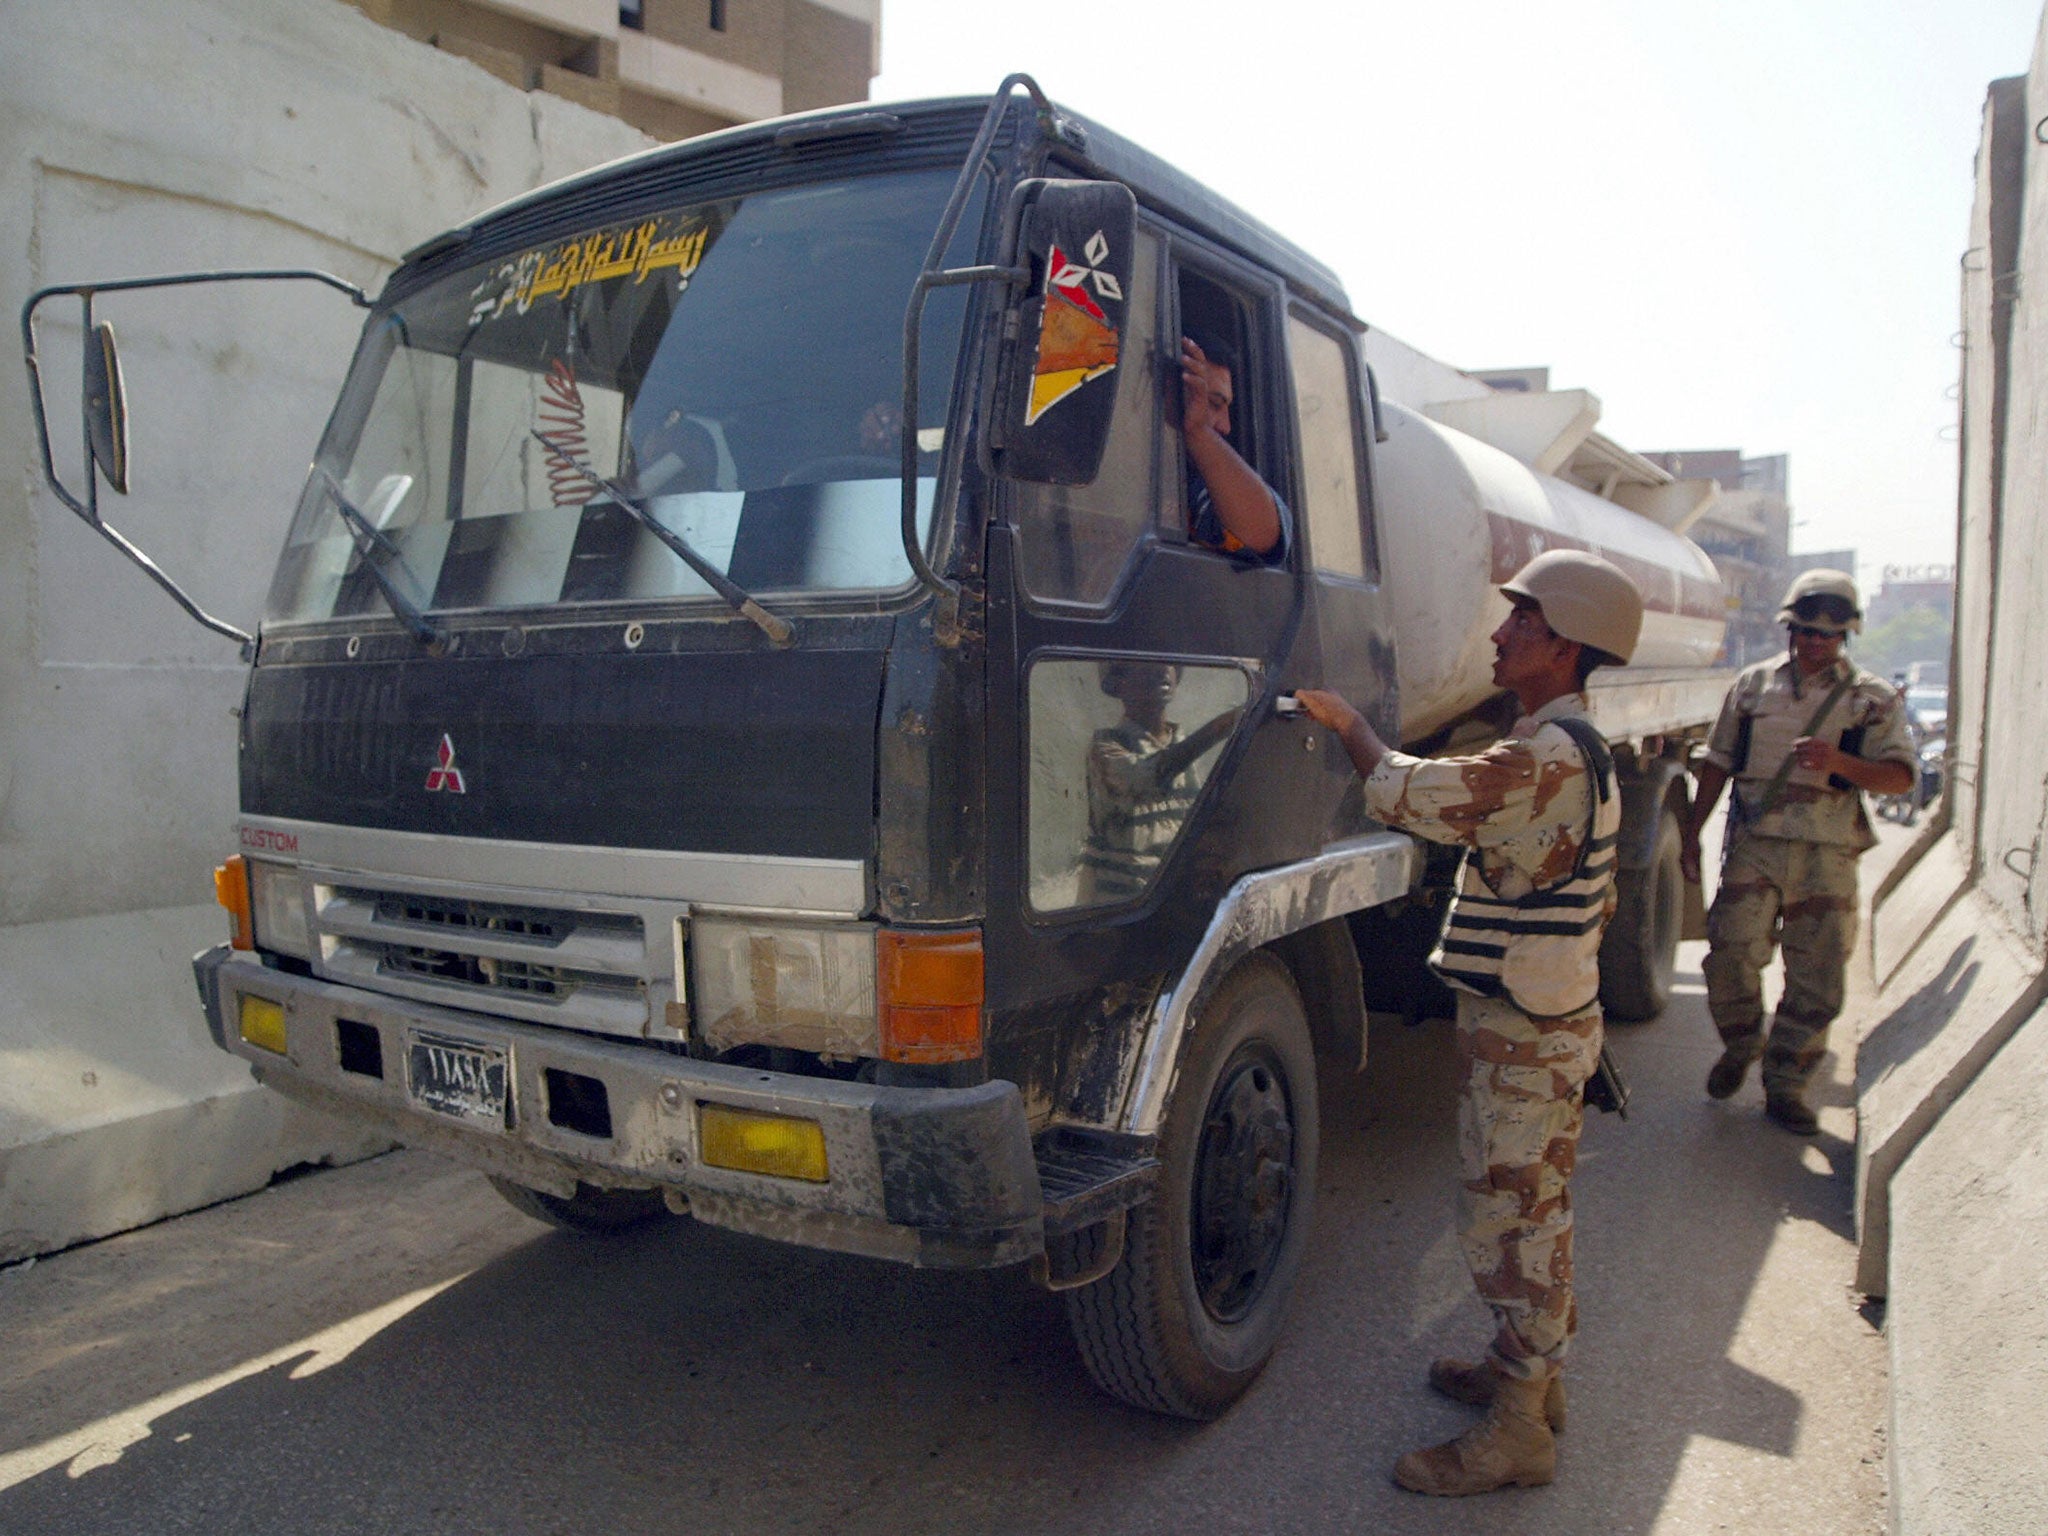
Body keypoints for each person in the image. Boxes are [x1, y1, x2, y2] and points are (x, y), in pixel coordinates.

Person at [1297, 549, 1643, 1497]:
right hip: (1541, 1022)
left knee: (1511, 1223)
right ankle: (1528, 1376)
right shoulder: (1571, 747)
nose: (1499, 636)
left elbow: (1419, 797)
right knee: (1532, 1209)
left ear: (1565, 647)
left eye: (1520, 624)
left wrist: (1353, 726)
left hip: (1527, 1034)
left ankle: (1520, 1431)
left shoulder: (1546, 756)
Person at [1680, 569, 1917, 1135]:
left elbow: (1900, 779)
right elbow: (1718, 763)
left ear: (1847, 637)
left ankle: (1786, 1083)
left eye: (1829, 635)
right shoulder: (1752, 686)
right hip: (1755, 847)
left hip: (1828, 857)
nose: (1816, 643)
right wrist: (1691, 832)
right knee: (1729, 955)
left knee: (1817, 975)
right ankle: (1743, 1042)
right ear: (1790, 628)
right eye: (1807, 631)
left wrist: (1841, 764)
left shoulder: (1872, 699)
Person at [1079, 661, 1240, 904]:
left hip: (1175, 899)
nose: (1161, 669)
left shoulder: (1183, 743)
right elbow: (1153, 775)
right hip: (1120, 908)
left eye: (1170, 663)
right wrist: (1227, 723)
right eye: (1144, 664)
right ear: (1118, 684)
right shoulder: (1106, 747)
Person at [1180, 335, 1287, 562]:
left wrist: (1198, 432)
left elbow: (1260, 533)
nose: (1225, 427)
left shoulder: (1192, 489)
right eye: (1214, 404)